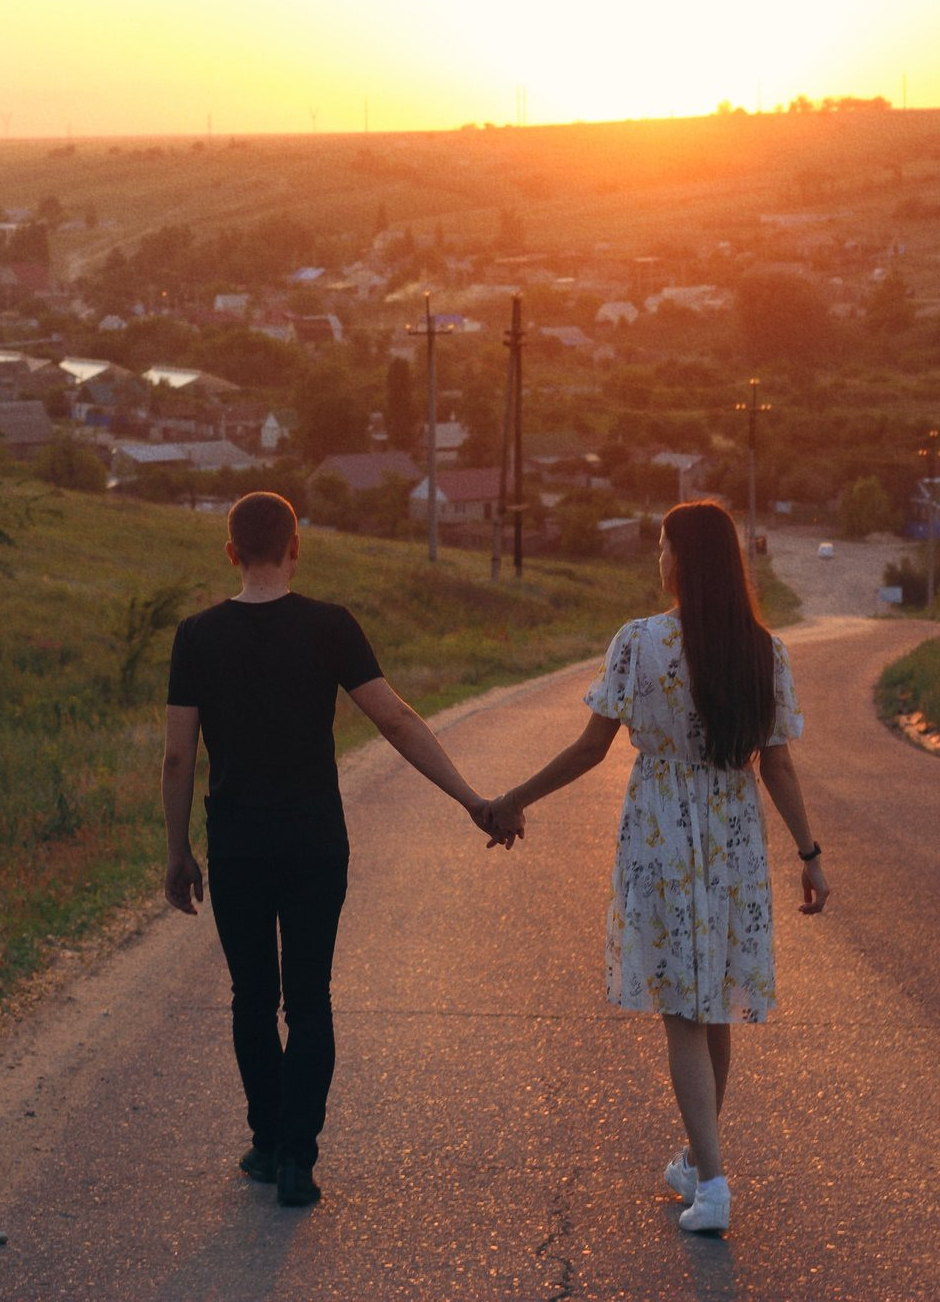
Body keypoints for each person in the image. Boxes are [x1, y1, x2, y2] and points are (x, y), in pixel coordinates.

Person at [162, 490, 520, 1209]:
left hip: (237, 847)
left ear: (231, 552)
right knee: (312, 1001)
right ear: (296, 547)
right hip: (315, 843)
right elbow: (394, 718)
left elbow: (178, 758)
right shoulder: (330, 627)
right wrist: (472, 800)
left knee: (252, 999)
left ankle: (267, 1142)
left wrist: (178, 853)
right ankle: (298, 1158)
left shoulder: (196, 636)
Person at [490, 499, 829, 1237]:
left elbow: (590, 750)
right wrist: (808, 855)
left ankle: (711, 1186)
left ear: (683, 561)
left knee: (683, 1011)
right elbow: (778, 764)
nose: (658, 557)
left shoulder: (639, 642)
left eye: (663, 545)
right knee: (709, 1010)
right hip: (733, 838)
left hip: (663, 836)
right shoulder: (764, 650)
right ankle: (694, 1161)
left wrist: (512, 799)